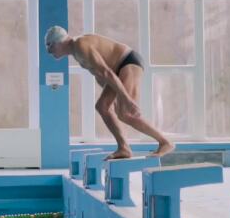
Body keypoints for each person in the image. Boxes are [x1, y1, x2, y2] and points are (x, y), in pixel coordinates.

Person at [45, 26, 174, 159]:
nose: (48, 51)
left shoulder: (80, 45)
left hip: (127, 62)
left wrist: (126, 100)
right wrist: (114, 98)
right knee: (102, 106)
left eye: (49, 45)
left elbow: (107, 72)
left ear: (59, 42)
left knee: (126, 113)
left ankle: (165, 142)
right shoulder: (77, 53)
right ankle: (124, 148)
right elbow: (101, 76)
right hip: (117, 69)